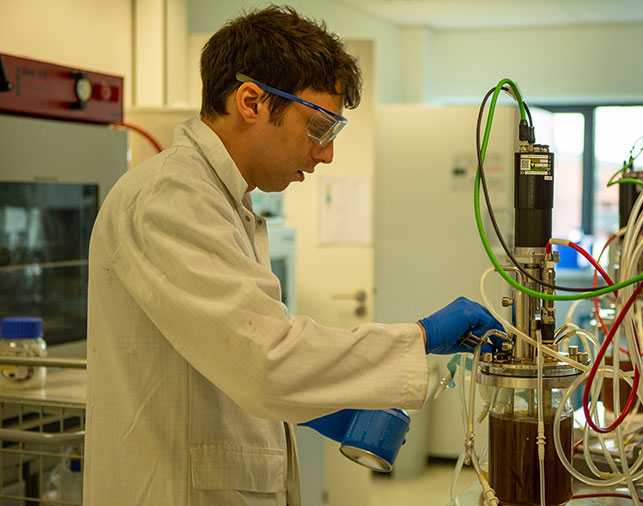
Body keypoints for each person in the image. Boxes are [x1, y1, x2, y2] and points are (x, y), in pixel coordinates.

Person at [83, 5, 502, 505]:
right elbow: (268, 358)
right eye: (319, 126)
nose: (326, 154)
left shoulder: (221, 202)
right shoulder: (170, 199)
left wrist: (322, 404)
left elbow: (237, 352)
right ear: (251, 101)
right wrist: (420, 338)